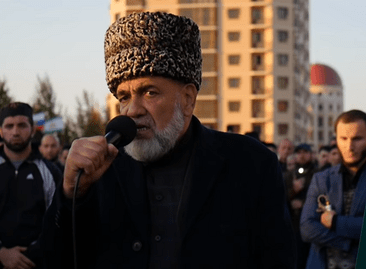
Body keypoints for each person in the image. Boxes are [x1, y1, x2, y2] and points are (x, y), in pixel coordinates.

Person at [42, 12, 295, 269]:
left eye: (149, 92)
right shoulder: (100, 169)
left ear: (187, 100)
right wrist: (72, 194)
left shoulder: (250, 163)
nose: (132, 110)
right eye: (124, 97)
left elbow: (278, 258)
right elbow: (56, 258)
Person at [0, 102, 62, 269]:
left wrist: (29, 256)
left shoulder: (51, 173)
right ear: (1, 131)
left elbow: (60, 220)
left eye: (22, 125)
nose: (15, 132)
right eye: (9, 126)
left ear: (33, 129)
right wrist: (0, 252)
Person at [300, 110, 366, 269]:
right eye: (343, 138)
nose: (350, 146)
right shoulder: (322, 178)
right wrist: (348, 241)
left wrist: (335, 222)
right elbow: (307, 227)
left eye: (357, 138)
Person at [284, 143, 317, 269]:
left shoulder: (318, 175)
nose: (302, 155)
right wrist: (293, 191)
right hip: (293, 225)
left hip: (312, 224)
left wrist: (303, 204)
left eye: (305, 152)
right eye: (299, 152)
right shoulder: (289, 175)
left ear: (310, 154)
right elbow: (280, 197)